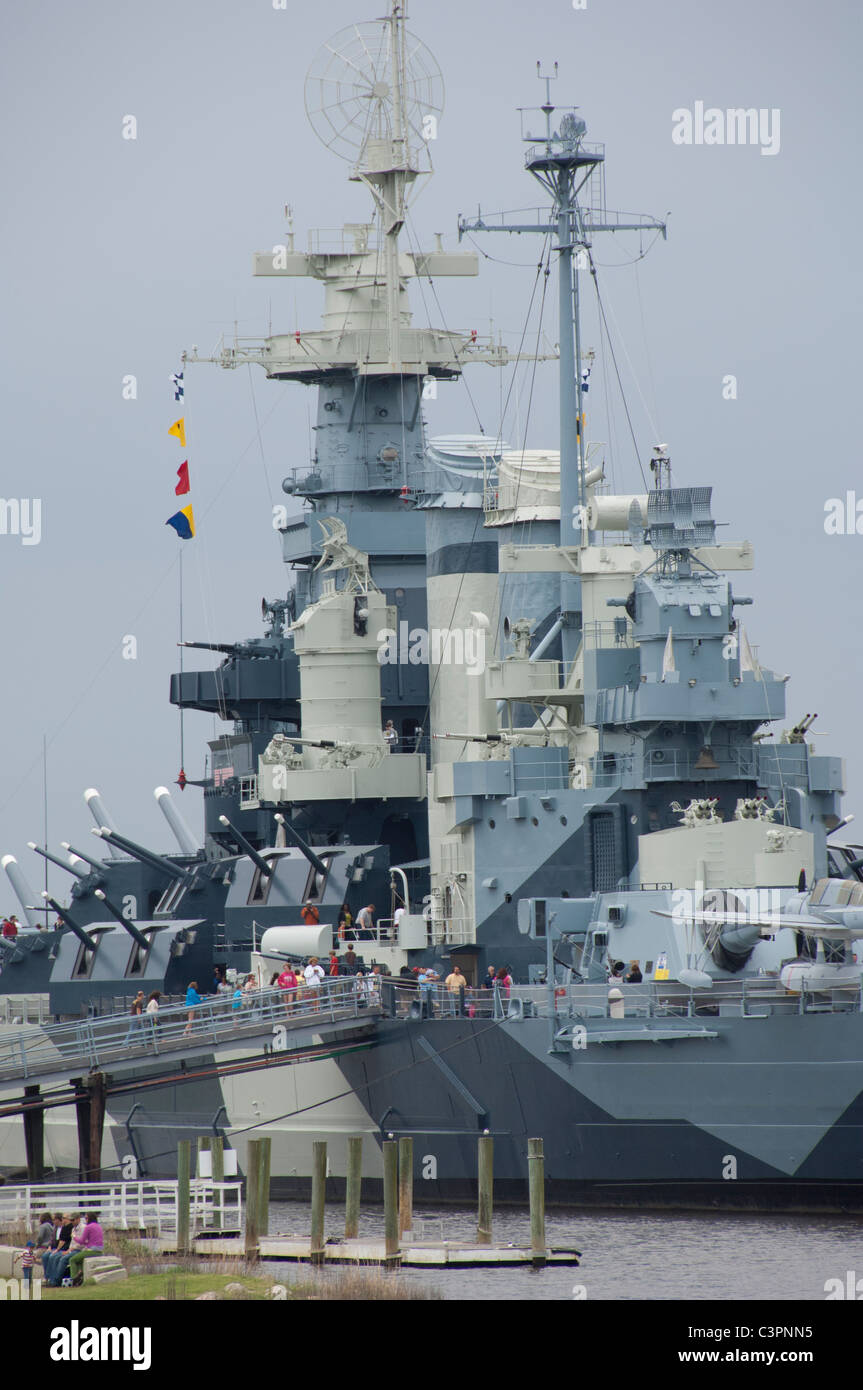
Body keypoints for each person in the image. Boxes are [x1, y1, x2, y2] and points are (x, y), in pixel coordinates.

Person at [68, 1212, 105, 1286]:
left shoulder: (88, 1227)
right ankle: (81, 1278)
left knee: (72, 1260)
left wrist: (74, 1236)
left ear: (90, 1218)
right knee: (80, 1260)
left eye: (86, 1218)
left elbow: (81, 1241)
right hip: (100, 1250)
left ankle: (74, 1280)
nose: (85, 1220)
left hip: (92, 1251)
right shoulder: (98, 1226)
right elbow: (88, 1242)